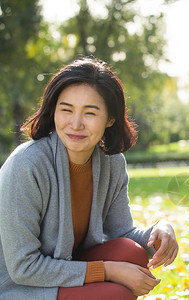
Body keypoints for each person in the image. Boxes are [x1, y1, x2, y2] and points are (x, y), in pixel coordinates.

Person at [0, 57, 179, 300]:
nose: (75, 124)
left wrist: (160, 231)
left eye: (90, 113)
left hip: (66, 267)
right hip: (16, 284)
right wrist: (107, 271)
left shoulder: (111, 161)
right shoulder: (27, 164)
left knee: (132, 253)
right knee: (115, 293)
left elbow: (121, 234)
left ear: (110, 119)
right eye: (66, 110)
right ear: (53, 111)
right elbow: (23, 268)